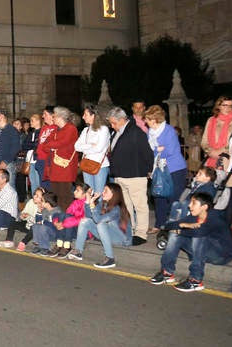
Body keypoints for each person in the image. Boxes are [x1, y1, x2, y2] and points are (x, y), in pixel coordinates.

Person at [148, 193, 232, 292]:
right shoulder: (195, 216)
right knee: (175, 235)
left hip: (221, 255)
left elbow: (199, 232)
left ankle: (195, 280)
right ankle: (167, 273)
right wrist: (183, 224)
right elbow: (168, 226)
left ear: (204, 207)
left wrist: (183, 228)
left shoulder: (214, 218)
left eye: (193, 203)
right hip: (204, 251)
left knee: (199, 237)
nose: (189, 205)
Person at [106, 106, 154, 246]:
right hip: (120, 175)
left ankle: (141, 233)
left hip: (135, 175)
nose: (112, 125)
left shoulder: (136, 132)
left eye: (114, 122)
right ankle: (130, 230)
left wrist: (149, 170)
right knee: (126, 206)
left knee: (139, 205)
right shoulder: (117, 132)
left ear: (122, 119)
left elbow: (147, 153)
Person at [144, 105, 188, 234]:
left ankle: (173, 225)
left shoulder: (168, 130)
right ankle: (159, 224)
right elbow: (150, 151)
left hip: (175, 169)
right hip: (159, 169)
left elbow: (171, 150)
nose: (146, 122)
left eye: (148, 119)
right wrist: (158, 149)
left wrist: (157, 150)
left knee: (174, 197)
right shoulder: (149, 133)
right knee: (159, 196)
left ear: (155, 119)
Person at [67, 183, 132, 268]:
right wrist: (88, 202)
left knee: (101, 224)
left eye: (106, 191)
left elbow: (98, 220)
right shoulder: (103, 203)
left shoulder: (117, 208)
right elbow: (88, 216)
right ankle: (78, 251)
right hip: (109, 235)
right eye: (103, 190)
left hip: (122, 239)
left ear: (114, 194)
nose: (102, 193)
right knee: (84, 221)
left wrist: (93, 206)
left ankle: (110, 258)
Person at [43, 106, 79, 210]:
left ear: (60, 117)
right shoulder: (55, 130)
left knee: (65, 195)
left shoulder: (71, 129)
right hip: (55, 168)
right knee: (56, 194)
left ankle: (66, 217)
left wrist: (52, 145)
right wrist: (53, 146)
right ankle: (57, 217)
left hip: (65, 168)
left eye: (54, 116)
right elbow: (45, 145)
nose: (52, 118)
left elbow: (62, 143)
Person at [74, 105, 110, 195]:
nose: (83, 117)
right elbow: (76, 146)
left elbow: (99, 148)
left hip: (100, 165)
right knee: (88, 193)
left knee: (98, 193)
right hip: (86, 163)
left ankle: (98, 209)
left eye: (85, 114)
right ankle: (90, 209)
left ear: (93, 115)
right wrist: (90, 145)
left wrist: (85, 148)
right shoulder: (86, 130)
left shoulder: (103, 129)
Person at [201, 96, 232, 169]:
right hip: (211, 159)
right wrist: (210, 152)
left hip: (230, 160)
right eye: (225, 105)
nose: (228, 108)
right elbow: (204, 141)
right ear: (218, 106)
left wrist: (222, 151)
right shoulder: (211, 120)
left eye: (230, 106)